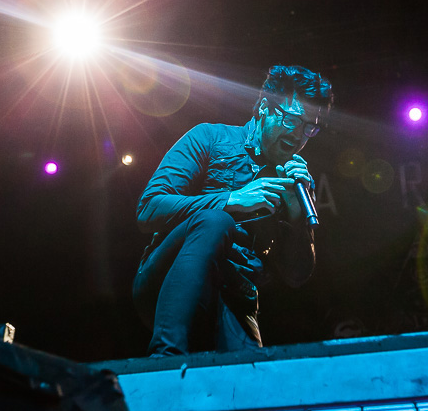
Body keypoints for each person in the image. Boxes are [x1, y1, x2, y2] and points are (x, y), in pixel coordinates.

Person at [132, 64, 334, 356]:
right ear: (264, 107)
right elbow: (149, 209)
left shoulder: (293, 183)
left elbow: (297, 275)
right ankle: (166, 358)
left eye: (309, 127)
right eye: (291, 119)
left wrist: (295, 212)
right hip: (166, 284)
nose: (298, 133)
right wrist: (232, 199)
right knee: (216, 221)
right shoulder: (210, 138)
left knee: (250, 376)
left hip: (235, 299)